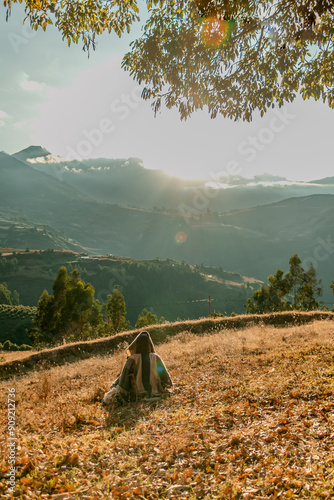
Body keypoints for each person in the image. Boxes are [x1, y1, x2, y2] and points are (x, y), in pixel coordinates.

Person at [102, 331, 172, 407]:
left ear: (137, 344)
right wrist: (167, 386)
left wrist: (119, 389)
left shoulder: (132, 359)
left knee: (109, 396)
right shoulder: (156, 357)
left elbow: (124, 380)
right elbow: (165, 376)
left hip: (135, 393)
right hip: (155, 391)